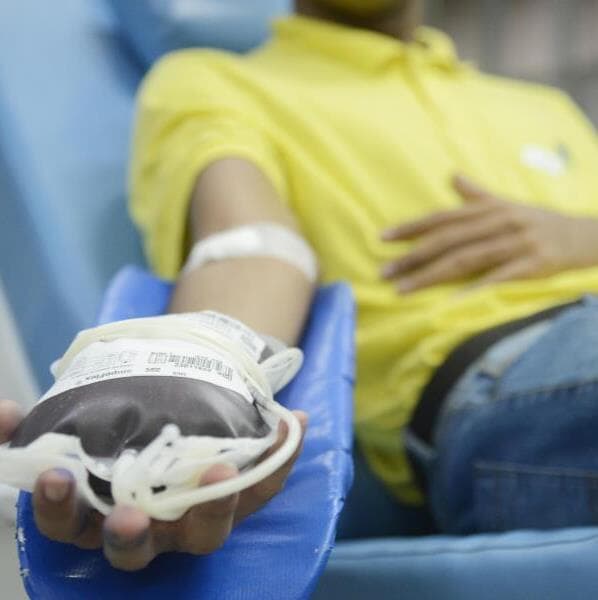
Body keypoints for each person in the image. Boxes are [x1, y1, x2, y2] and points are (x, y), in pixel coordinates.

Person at [4, 0, 598, 570]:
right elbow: (253, 245)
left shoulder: (545, 108)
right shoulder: (214, 80)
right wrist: (191, 408)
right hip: (501, 382)